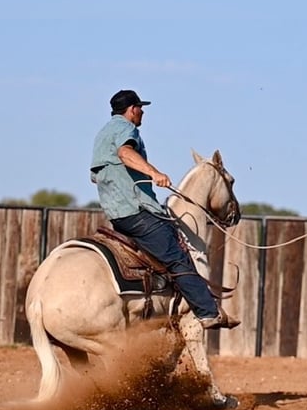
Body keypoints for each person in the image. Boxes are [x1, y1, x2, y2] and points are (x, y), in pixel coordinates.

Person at [90, 89, 239, 330]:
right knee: (177, 256)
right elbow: (125, 153)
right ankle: (208, 311)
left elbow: (96, 177)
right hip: (136, 210)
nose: (142, 113)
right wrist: (153, 173)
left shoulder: (102, 135)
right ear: (132, 110)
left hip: (116, 213)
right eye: (140, 108)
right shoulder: (127, 130)